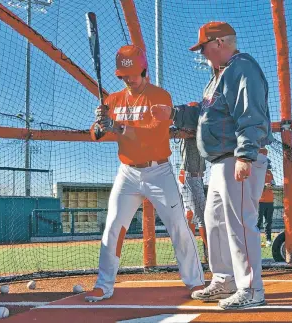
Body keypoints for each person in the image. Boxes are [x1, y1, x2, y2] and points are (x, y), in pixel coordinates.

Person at [151, 21, 273, 310]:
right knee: (216, 224)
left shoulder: (242, 68)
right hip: (219, 162)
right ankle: (225, 279)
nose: (202, 54)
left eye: (204, 47)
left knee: (240, 225)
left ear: (219, 43)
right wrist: (174, 113)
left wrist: (245, 155)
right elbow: (205, 116)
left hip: (236, 158)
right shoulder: (219, 75)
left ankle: (251, 288)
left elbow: (250, 112)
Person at [85, 44, 204, 302]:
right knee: (113, 226)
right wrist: (100, 123)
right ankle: (103, 286)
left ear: (143, 70)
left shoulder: (160, 96)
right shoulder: (113, 100)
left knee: (178, 226)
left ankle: (195, 282)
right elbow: (96, 134)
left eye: (131, 74)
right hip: (127, 173)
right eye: (122, 76)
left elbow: (153, 134)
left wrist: (117, 125)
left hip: (158, 171)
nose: (127, 79)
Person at [171, 104, 209, 263]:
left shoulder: (201, 131)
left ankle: (185, 251)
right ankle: (210, 252)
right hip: (188, 176)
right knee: (203, 216)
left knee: (190, 215)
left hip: (194, 177)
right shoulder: (187, 129)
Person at [257, 158, 276, 247]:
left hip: (270, 201)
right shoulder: (257, 172)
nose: (268, 164)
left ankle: (268, 240)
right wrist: (263, 185)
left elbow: (273, 183)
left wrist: (271, 185)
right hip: (260, 201)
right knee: (258, 221)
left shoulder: (269, 173)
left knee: (268, 222)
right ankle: (255, 239)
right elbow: (254, 185)